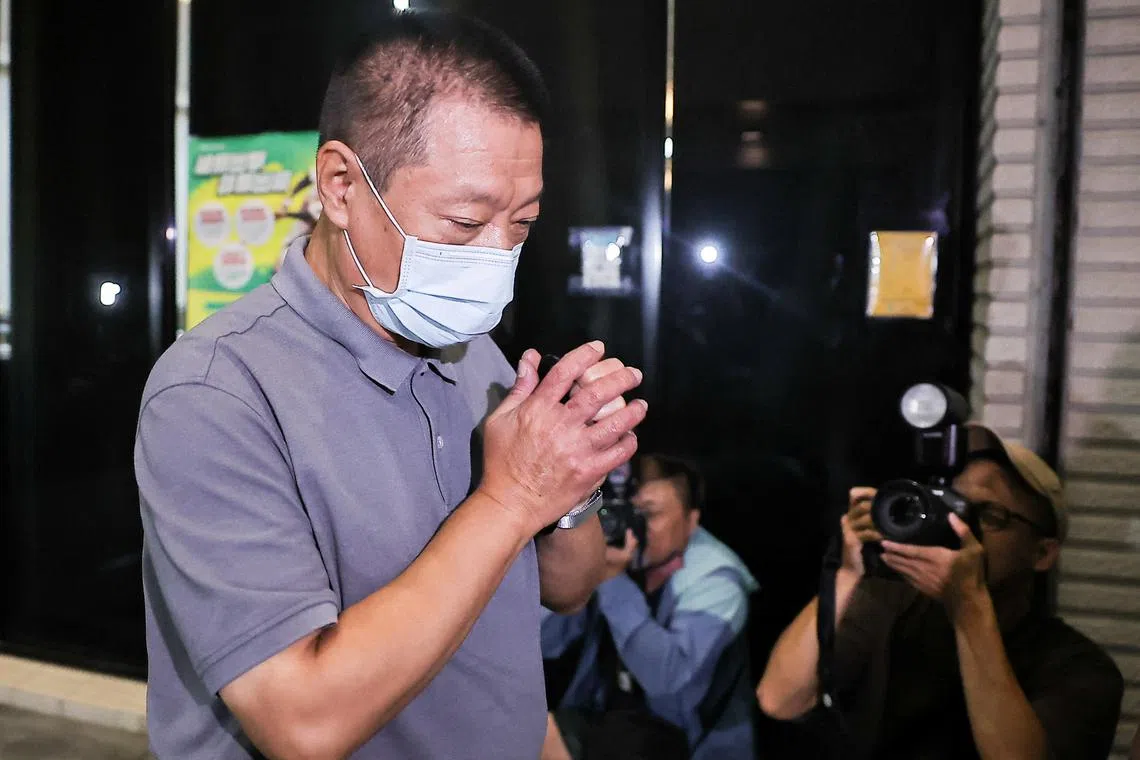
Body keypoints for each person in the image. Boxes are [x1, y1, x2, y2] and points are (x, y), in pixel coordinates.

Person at [135, 13, 648, 760]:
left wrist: (571, 478)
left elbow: (563, 588)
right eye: (466, 221)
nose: (497, 257)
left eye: (523, 224)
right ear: (342, 186)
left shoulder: (476, 357)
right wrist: (509, 500)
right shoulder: (215, 393)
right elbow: (302, 723)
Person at [756, 423, 1124, 759]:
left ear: (1042, 553)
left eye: (991, 516)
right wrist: (849, 573)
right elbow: (780, 699)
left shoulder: (1080, 669)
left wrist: (968, 606)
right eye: (954, 506)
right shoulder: (892, 604)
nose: (962, 527)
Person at [541, 455, 759, 760]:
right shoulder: (615, 554)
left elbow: (667, 678)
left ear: (691, 520)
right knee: (531, 725)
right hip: (616, 724)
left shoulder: (717, 581)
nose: (635, 527)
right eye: (629, 511)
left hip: (689, 744)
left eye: (650, 514)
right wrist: (571, 574)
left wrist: (612, 581)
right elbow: (547, 643)